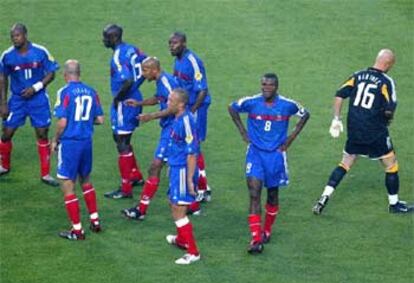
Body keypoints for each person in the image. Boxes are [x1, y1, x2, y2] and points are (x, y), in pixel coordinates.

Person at [313, 49, 413, 215]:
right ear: (388, 64)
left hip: (354, 130)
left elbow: (339, 95)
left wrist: (336, 119)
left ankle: (324, 197)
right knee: (391, 164)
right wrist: (387, 119)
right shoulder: (386, 81)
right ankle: (394, 204)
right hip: (375, 132)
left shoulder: (358, 75)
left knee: (345, 163)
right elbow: (390, 109)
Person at [228, 73, 310, 254]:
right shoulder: (252, 102)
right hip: (255, 154)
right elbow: (232, 108)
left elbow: (305, 115)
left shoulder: (287, 105)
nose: (266, 88)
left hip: (275, 156)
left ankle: (267, 230)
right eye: (263, 84)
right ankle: (256, 239)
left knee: (272, 194)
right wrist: (243, 132)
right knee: (254, 193)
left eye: (270, 85)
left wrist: (291, 138)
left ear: (276, 87)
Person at [138, 88, 201, 264]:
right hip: (175, 168)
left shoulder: (187, 121)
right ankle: (182, 240)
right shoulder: (177, 118)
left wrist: (189, 180)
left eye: (171, 100)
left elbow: (192, 154)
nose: (167, 102)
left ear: (181, 104)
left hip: (182, 170)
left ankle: (193, 252)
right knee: (173, 204)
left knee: (179, 211)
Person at [0, 23, 59, 186]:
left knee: (42, 133)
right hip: (17, 100)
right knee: (6, 133)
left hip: (38, 100)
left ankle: (46, 174)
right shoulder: (7, 55)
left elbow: (51, 73)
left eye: (17, 36)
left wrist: (36, 87)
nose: (14, 39)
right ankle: (4, 166)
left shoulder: (40, 52)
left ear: (25, 35)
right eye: (12, 36)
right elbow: (3, 78)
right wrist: (3, 103)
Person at [51, 60, 104, 240]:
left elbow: (62, 122)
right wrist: (84, 122)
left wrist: (55, 140)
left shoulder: (64, 92)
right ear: (79, 74)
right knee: (86, 180)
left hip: (70, 144)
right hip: (86, 142)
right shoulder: (91, 91)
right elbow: (100, 119)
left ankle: (77, 230)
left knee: (67, 184)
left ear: (66, 75)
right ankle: (95, 221)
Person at [121, 57, 179, 220]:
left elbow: (173, 108)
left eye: (145, 70)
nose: (143, 74)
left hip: (173, 129)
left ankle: (141, 209)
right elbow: (159, 98)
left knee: (155, 167)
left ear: (154, 70)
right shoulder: (161, 82)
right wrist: (140, 103)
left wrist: (150, 116)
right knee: (177, 165)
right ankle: (194, 205)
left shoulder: (166, 83)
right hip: (170, 128)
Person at [169, 32, 211, 212]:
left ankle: (201, 188)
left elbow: (202, 90)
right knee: (191, 147)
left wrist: (191, 113)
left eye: (176, 43)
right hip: (186, 107)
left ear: (184, 43)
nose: (172, 46)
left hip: (196, 107)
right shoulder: (178, 60)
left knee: (194, 146)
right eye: (170, 43)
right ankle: (202, 186)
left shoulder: (193, 61)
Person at [102, 24, 146, 199]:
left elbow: (127, 79)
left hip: (125, 102)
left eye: (105, 37)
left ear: (113, 38)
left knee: (122, 142)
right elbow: (147, 63)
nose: (103, 40)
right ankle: (134, 175)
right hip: (134, 97)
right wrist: (137, 85)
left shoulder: (118, 56)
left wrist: (117, 98)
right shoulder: (132, 49)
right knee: (122, 138)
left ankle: (125, 188)